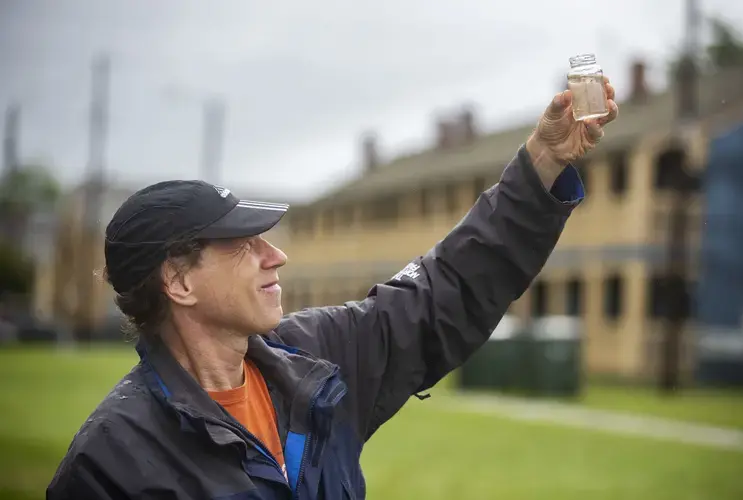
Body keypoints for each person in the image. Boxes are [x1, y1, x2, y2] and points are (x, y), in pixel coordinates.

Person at [48, 79, 618, 499]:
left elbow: (447, 288)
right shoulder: (110, 463)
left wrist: (542, 162)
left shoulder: (317, 361)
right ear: (177, 280)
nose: (277, 256)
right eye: (243, 246)